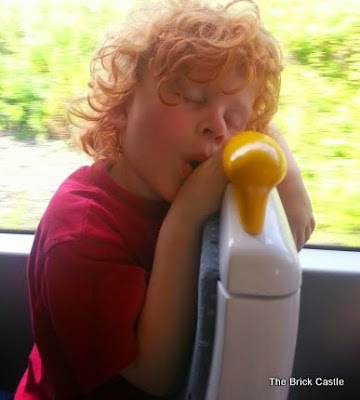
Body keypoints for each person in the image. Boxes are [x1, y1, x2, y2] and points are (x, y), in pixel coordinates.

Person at [15, 0, 315, 398]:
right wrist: (186, 218)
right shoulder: (80, 234)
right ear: (122, 106)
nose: (218, 128)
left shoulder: (169, 173)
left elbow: (261, 129)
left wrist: (288, 177)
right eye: (192, 97)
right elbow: (153, 375)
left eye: (235, 119)